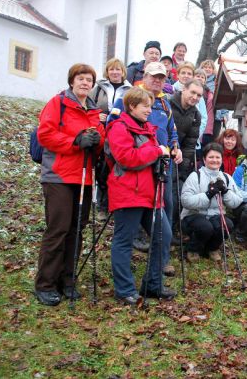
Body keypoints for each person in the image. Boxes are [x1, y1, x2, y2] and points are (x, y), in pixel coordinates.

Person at [34, 63, 105, 306]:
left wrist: (98, 139)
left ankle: (68, 280)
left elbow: (99, 142)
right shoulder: (58, 103)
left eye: (89, 80)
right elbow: (45, 134)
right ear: (72, 81)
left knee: (77, 229)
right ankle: (45, 283)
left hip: (84, 177)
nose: (85, 83)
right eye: (81, 78)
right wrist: (75, 140)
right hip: (59, 176)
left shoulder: (94, 111)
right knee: (59, 228)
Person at [106, 87, 176, 304]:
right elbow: (126, 158)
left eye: (151, 105)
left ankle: (153, 285)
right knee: (124, 240)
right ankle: (125, 290)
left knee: (163, 235)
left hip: (151, 193)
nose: (149, 110)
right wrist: (157, 151)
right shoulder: (119, 127)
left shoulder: (149, 129)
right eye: (145, 105)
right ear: (132, 106)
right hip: (129, 192)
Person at [109, 62, 182, 255]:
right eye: (154, 76)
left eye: (161, 78)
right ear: (145, 76)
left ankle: (161, 259)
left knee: (165, 208)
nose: (157, 81)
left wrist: (175, 147)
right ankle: (136, 244)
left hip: (161, 165)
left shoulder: (165, 103)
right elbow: (114, 126)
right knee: (134, 218)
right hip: (135, 168)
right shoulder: (129, 98)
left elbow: (171, 130)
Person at [180, 143, 243, 262]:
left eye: (217, 157)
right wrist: (208, 194)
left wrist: (225, 191)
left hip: (215, 214)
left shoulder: (226, 177)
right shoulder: (195, 176)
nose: (214, 160)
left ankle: (212, 248)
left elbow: (236, 201)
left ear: (221, 159)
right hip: (193, 215)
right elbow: (186, 201)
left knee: (227, 225)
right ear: (204, 159)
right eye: (211, 157)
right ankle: (193, 248)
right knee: (205, 227)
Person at [89, 58, 132, 218]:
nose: (115, 72)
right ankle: (101, 206)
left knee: (116, 168)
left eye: (118, 69)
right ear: (107, 72)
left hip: (120, 134)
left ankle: (114, 204)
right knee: (101, 169)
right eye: (112, 69)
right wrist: (96, 116)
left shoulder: (129, 90)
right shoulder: (98, 89)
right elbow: (88, 107)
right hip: (102, 132)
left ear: (123, 72)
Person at [169, 79, 204, 234]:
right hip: (161, 153)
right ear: (183, 89)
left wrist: (181, 170)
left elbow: (190, 145)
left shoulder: (196, 115)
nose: (195, 97)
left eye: (199, 95)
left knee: (178, 195)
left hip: (179, 157)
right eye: (193, 92)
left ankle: (172, 229)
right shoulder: (167, 104)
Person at [173, 63, 207, 152]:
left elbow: (203, 117)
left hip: (188, 134)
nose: (195, 97)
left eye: (189, 74)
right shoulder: (169, 96)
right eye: (183, 73)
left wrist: (196, 134)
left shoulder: (196, 113)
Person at [194, 69, 215, 150]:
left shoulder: (209, 93)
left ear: (205, 80)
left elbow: (205, 115)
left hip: (206, 126)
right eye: (198, 76)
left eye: (202, 77)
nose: (200, 78)